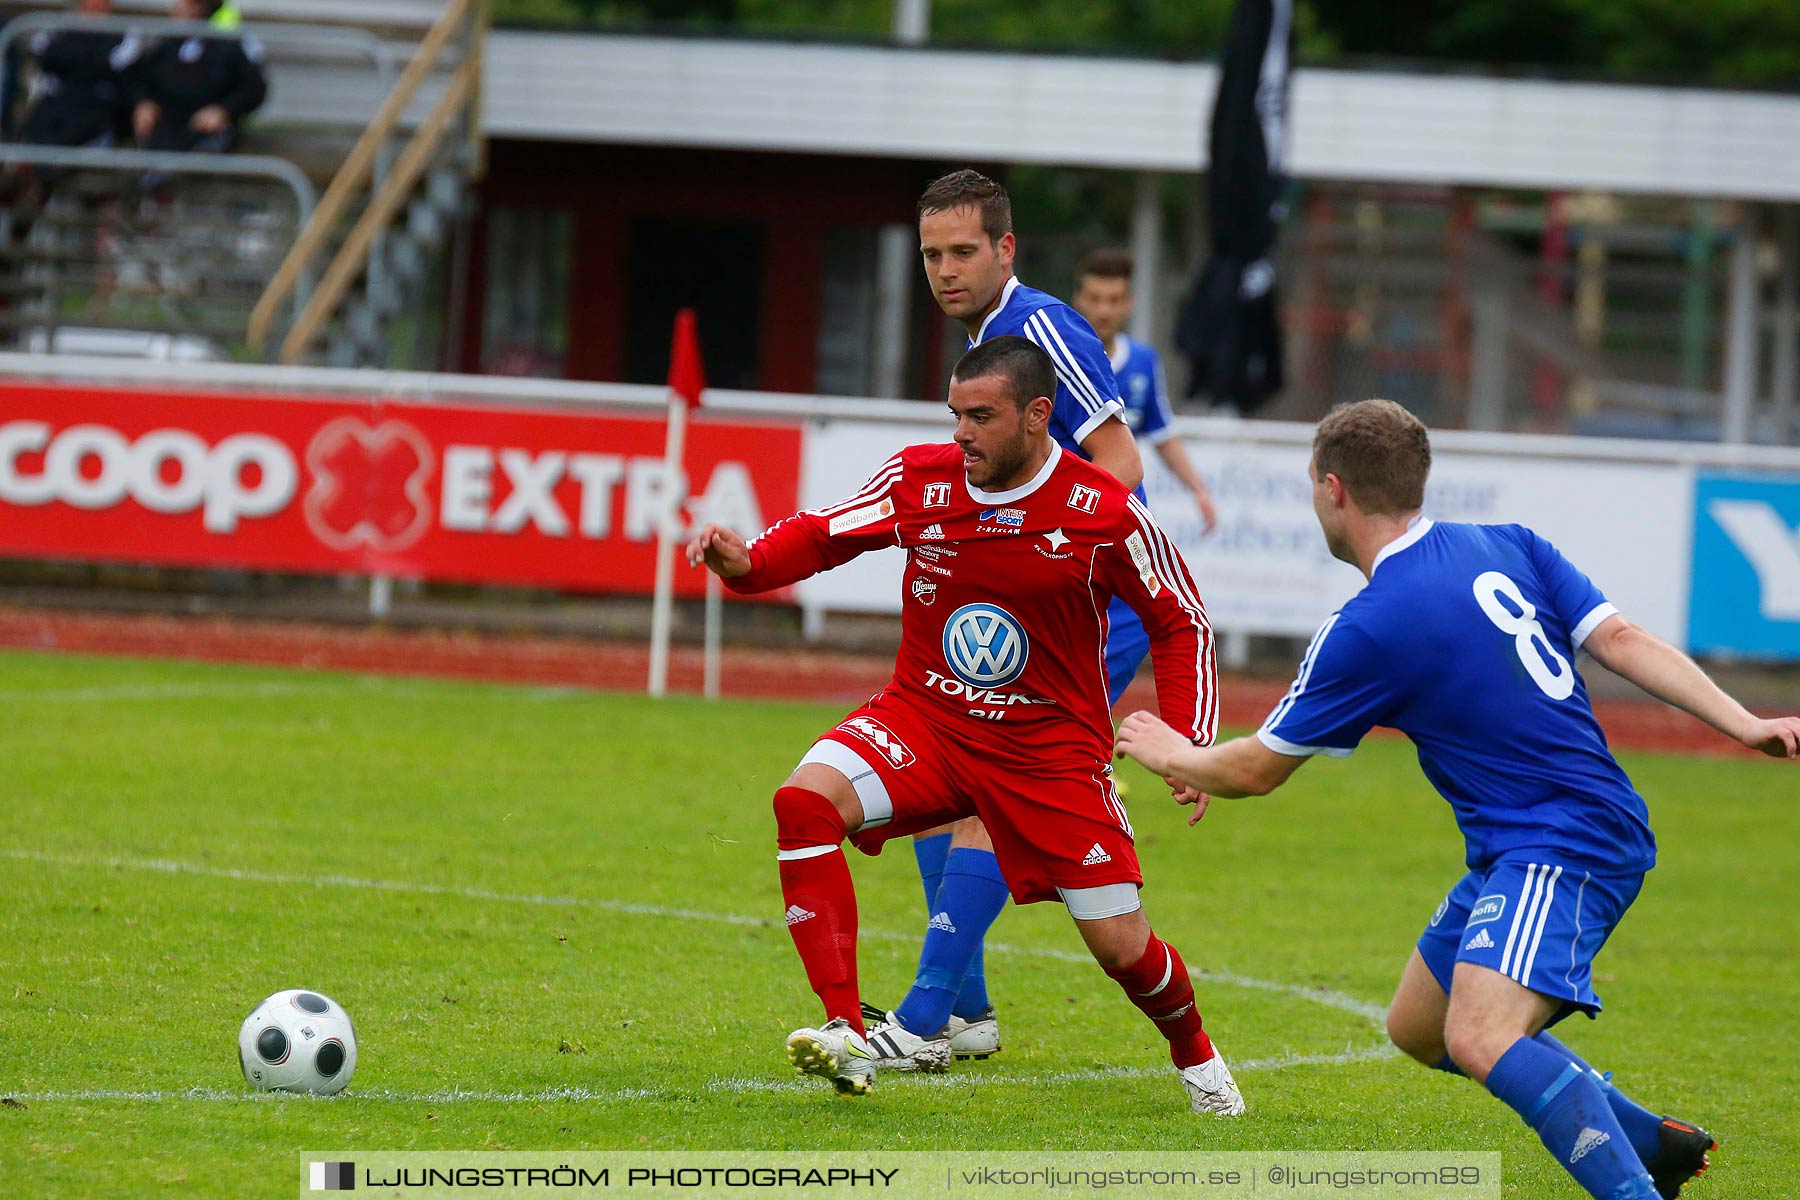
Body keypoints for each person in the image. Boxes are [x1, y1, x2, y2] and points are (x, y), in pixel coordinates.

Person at [1115, 398, 1800, 1198]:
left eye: (1313, 488)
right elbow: (1621, 641)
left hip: (1564, 841)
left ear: (1333, 490)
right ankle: (1649, 1142)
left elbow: (1257, 769)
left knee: (1478, 1035)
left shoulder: (1371, 624)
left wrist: (1174, 749)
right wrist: (1743, 722)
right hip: (1524, 844)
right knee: (1418, 1026)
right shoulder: (1506, 543)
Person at [686, 336, 1242, 1113]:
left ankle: (1197, 1055)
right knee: (803, 802)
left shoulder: (1100, 513)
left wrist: (1188, 742)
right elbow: (824, 532)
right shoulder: (923, 479)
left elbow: (1180, 618)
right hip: (928, 722)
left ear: (1037, 416)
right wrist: (749, 564)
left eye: (982, 416)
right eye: (956, 414)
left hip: (1048, 755)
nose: (963, 434)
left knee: (1124, 949)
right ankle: (847, 1033)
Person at [865, 169, 1153, 1067]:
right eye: (931, 255)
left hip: (1079, 613)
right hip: (1009, 611)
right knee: (927, 786)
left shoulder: (1042, 330)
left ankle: (920, 1020)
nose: (945, 270)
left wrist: (1026, 555)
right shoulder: (989, 337)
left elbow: (1122, 469)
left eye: (962, 251)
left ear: (1005, 250)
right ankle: (966, 1013)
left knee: (984, 793)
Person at [1071, 247, 1219, 536]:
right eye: (1095, 299)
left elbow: (1162, 432)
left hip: (1120, 513)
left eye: (1113, 300)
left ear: (1129, 304)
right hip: (1067, 513)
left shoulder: (1143, 362)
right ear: (1078, 300)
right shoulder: (1054, 359)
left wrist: (1198, 490)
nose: (1104, 310)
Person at [128, 0, 265, 155]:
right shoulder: (167, 46)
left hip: (204, 132)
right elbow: (141, 78)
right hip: (167, 127)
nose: (177, 7)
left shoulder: (227, 48)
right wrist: (143, 102)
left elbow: (253, 88)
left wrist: (224, 110)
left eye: (186, 4)